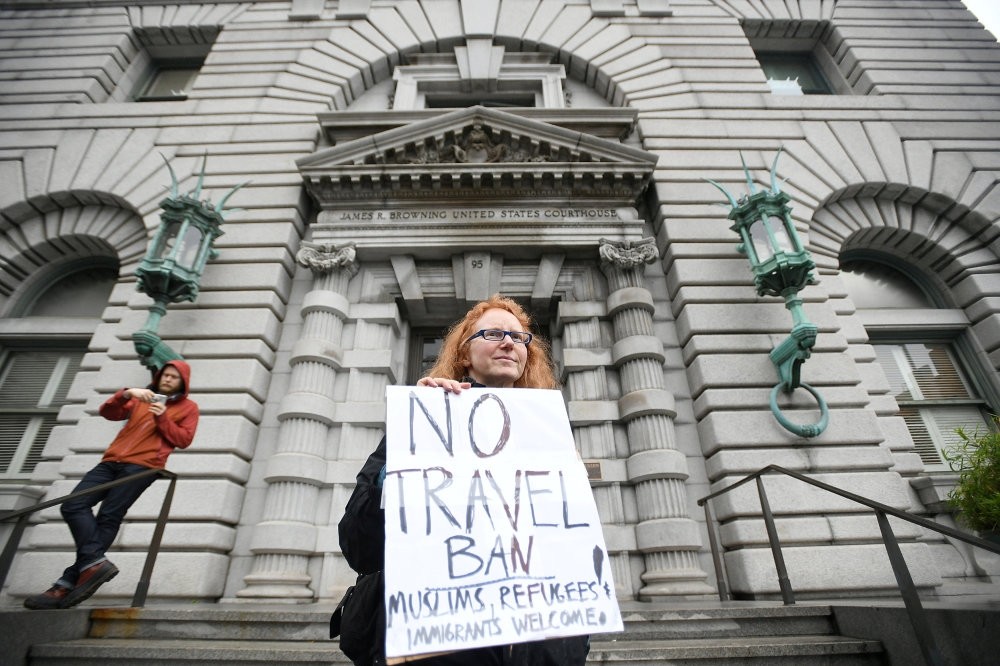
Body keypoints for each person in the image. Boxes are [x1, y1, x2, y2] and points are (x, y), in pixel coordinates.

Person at [338, 295, 590, 666]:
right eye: (493, 333)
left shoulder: (548, 437)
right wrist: (415, 443)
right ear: (463, 354)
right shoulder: (423, 423)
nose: (509, 343)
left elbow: (572, 550)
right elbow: (361, 547)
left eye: (520, 338)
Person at [23, 360, 198, 610]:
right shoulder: (141, 398)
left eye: (174, 377)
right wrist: (126, 393)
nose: (168, 380)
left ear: (183, 383)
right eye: (165, 375)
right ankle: (93, 562)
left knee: (109, 516)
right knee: (73, 505)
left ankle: (64, 585)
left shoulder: (188, 407)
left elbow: (183, 440)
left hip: (143, 466)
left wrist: (163, 419)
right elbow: (109, 412)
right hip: (111, 461)